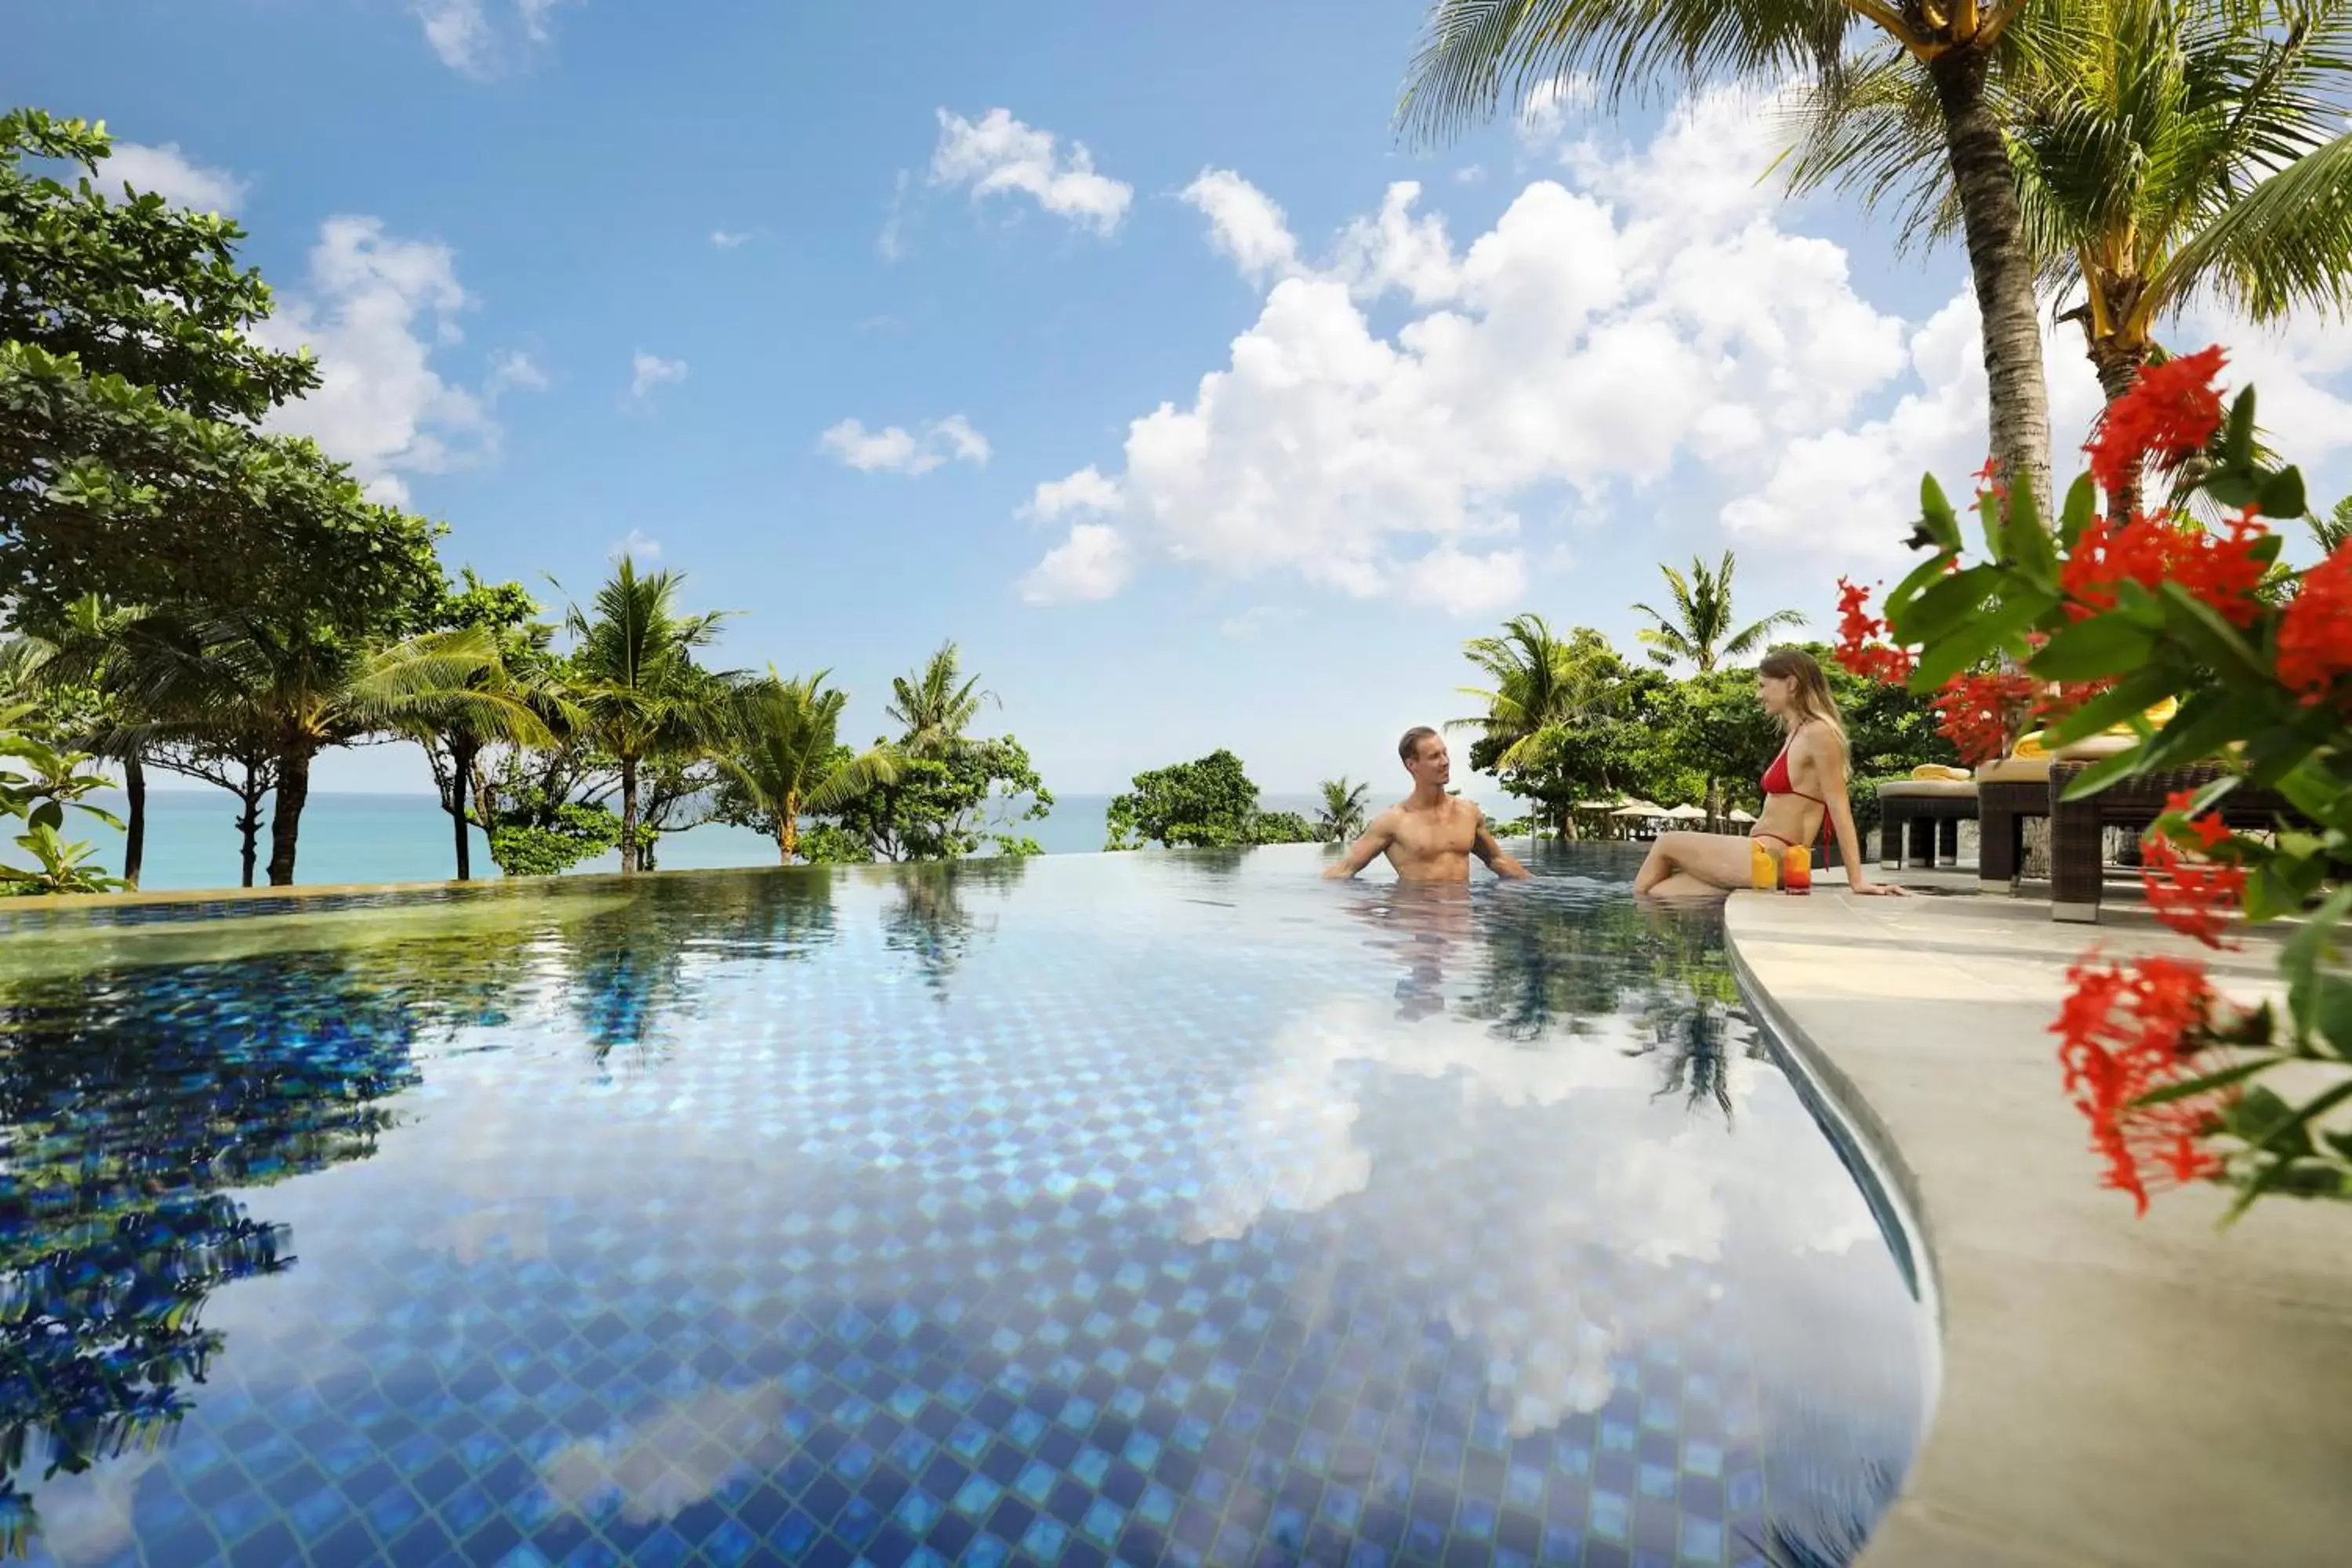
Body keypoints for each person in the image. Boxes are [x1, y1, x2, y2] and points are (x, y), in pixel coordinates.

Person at [1632, 646, 1907, 899]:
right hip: (1762, 860)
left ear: (1791, 684)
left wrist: (1856, 881)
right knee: (1660, 893)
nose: (1758, 694)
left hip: (1770, 857)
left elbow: (1839, 805)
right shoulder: (1795, 733)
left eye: (1763, 685)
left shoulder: (1820, 732)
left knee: (1666, 843)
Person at [1325, 727, 1533, 883]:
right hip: (1419, 923)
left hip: (1460, 925)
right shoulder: (1393, 822)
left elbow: (1498, 861)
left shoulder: (1468, 813)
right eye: (1434, 756)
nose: (1445, 762)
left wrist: (1541, 889)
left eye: (1445, 753)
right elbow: (1345, 870)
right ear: (1411, 765)